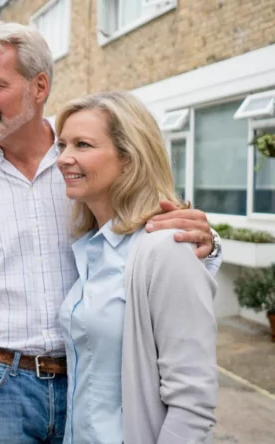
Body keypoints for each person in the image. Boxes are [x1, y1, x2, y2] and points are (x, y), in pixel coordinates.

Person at [0, 22, 221, 443]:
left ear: (39, 86)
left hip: (96, 374)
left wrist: (207, 244)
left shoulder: (86, 164)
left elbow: (148, 228)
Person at [55, 91, 217, 443]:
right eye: (62, 145)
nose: (64, 158)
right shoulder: (92, 248)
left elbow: (193, 402)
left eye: (82, 145)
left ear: (129, 158)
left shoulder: (165, 248)